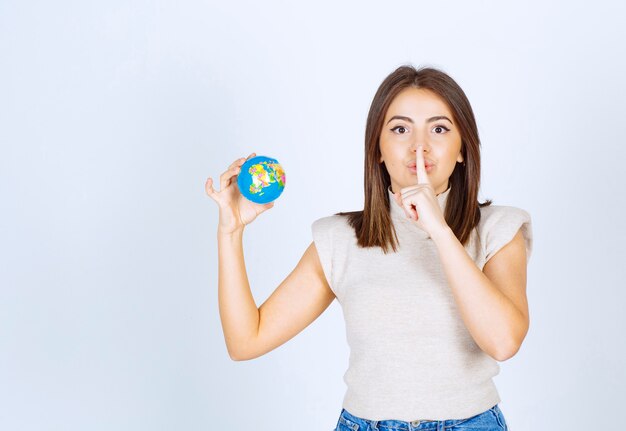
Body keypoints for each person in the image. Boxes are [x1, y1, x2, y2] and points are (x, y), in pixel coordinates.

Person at [205, 64, 532, 431]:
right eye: (400, 129)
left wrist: (438, 230)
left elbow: (504, 341)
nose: (418, 145)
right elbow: (245, 342)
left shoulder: (498, 229)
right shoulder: (341, 239)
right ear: (377, 148)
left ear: (462, 150)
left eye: (439, 128)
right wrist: (230, 232)